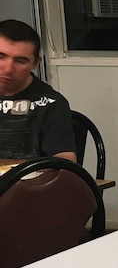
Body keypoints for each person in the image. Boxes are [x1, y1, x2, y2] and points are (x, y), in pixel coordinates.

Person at [0, 19, 76, 161]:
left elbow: (65, 161)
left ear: (35, 63)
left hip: (29, 181)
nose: (8, 68)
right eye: (1, 57)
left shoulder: (51, 104)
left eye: (20, 61)